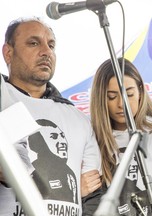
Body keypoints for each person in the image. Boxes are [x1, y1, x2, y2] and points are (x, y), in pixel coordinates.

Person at [0, 17, 102, 215]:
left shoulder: (78, 119)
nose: (46, 52)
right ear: (8, 53)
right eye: (34, 43)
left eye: (51, 45)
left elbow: (93, 197)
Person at [83, 58, 152, 215]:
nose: (121, 104)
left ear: (140, 92)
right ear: (100, 98)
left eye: (129, 94)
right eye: (111, 96)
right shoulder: (90, 139)